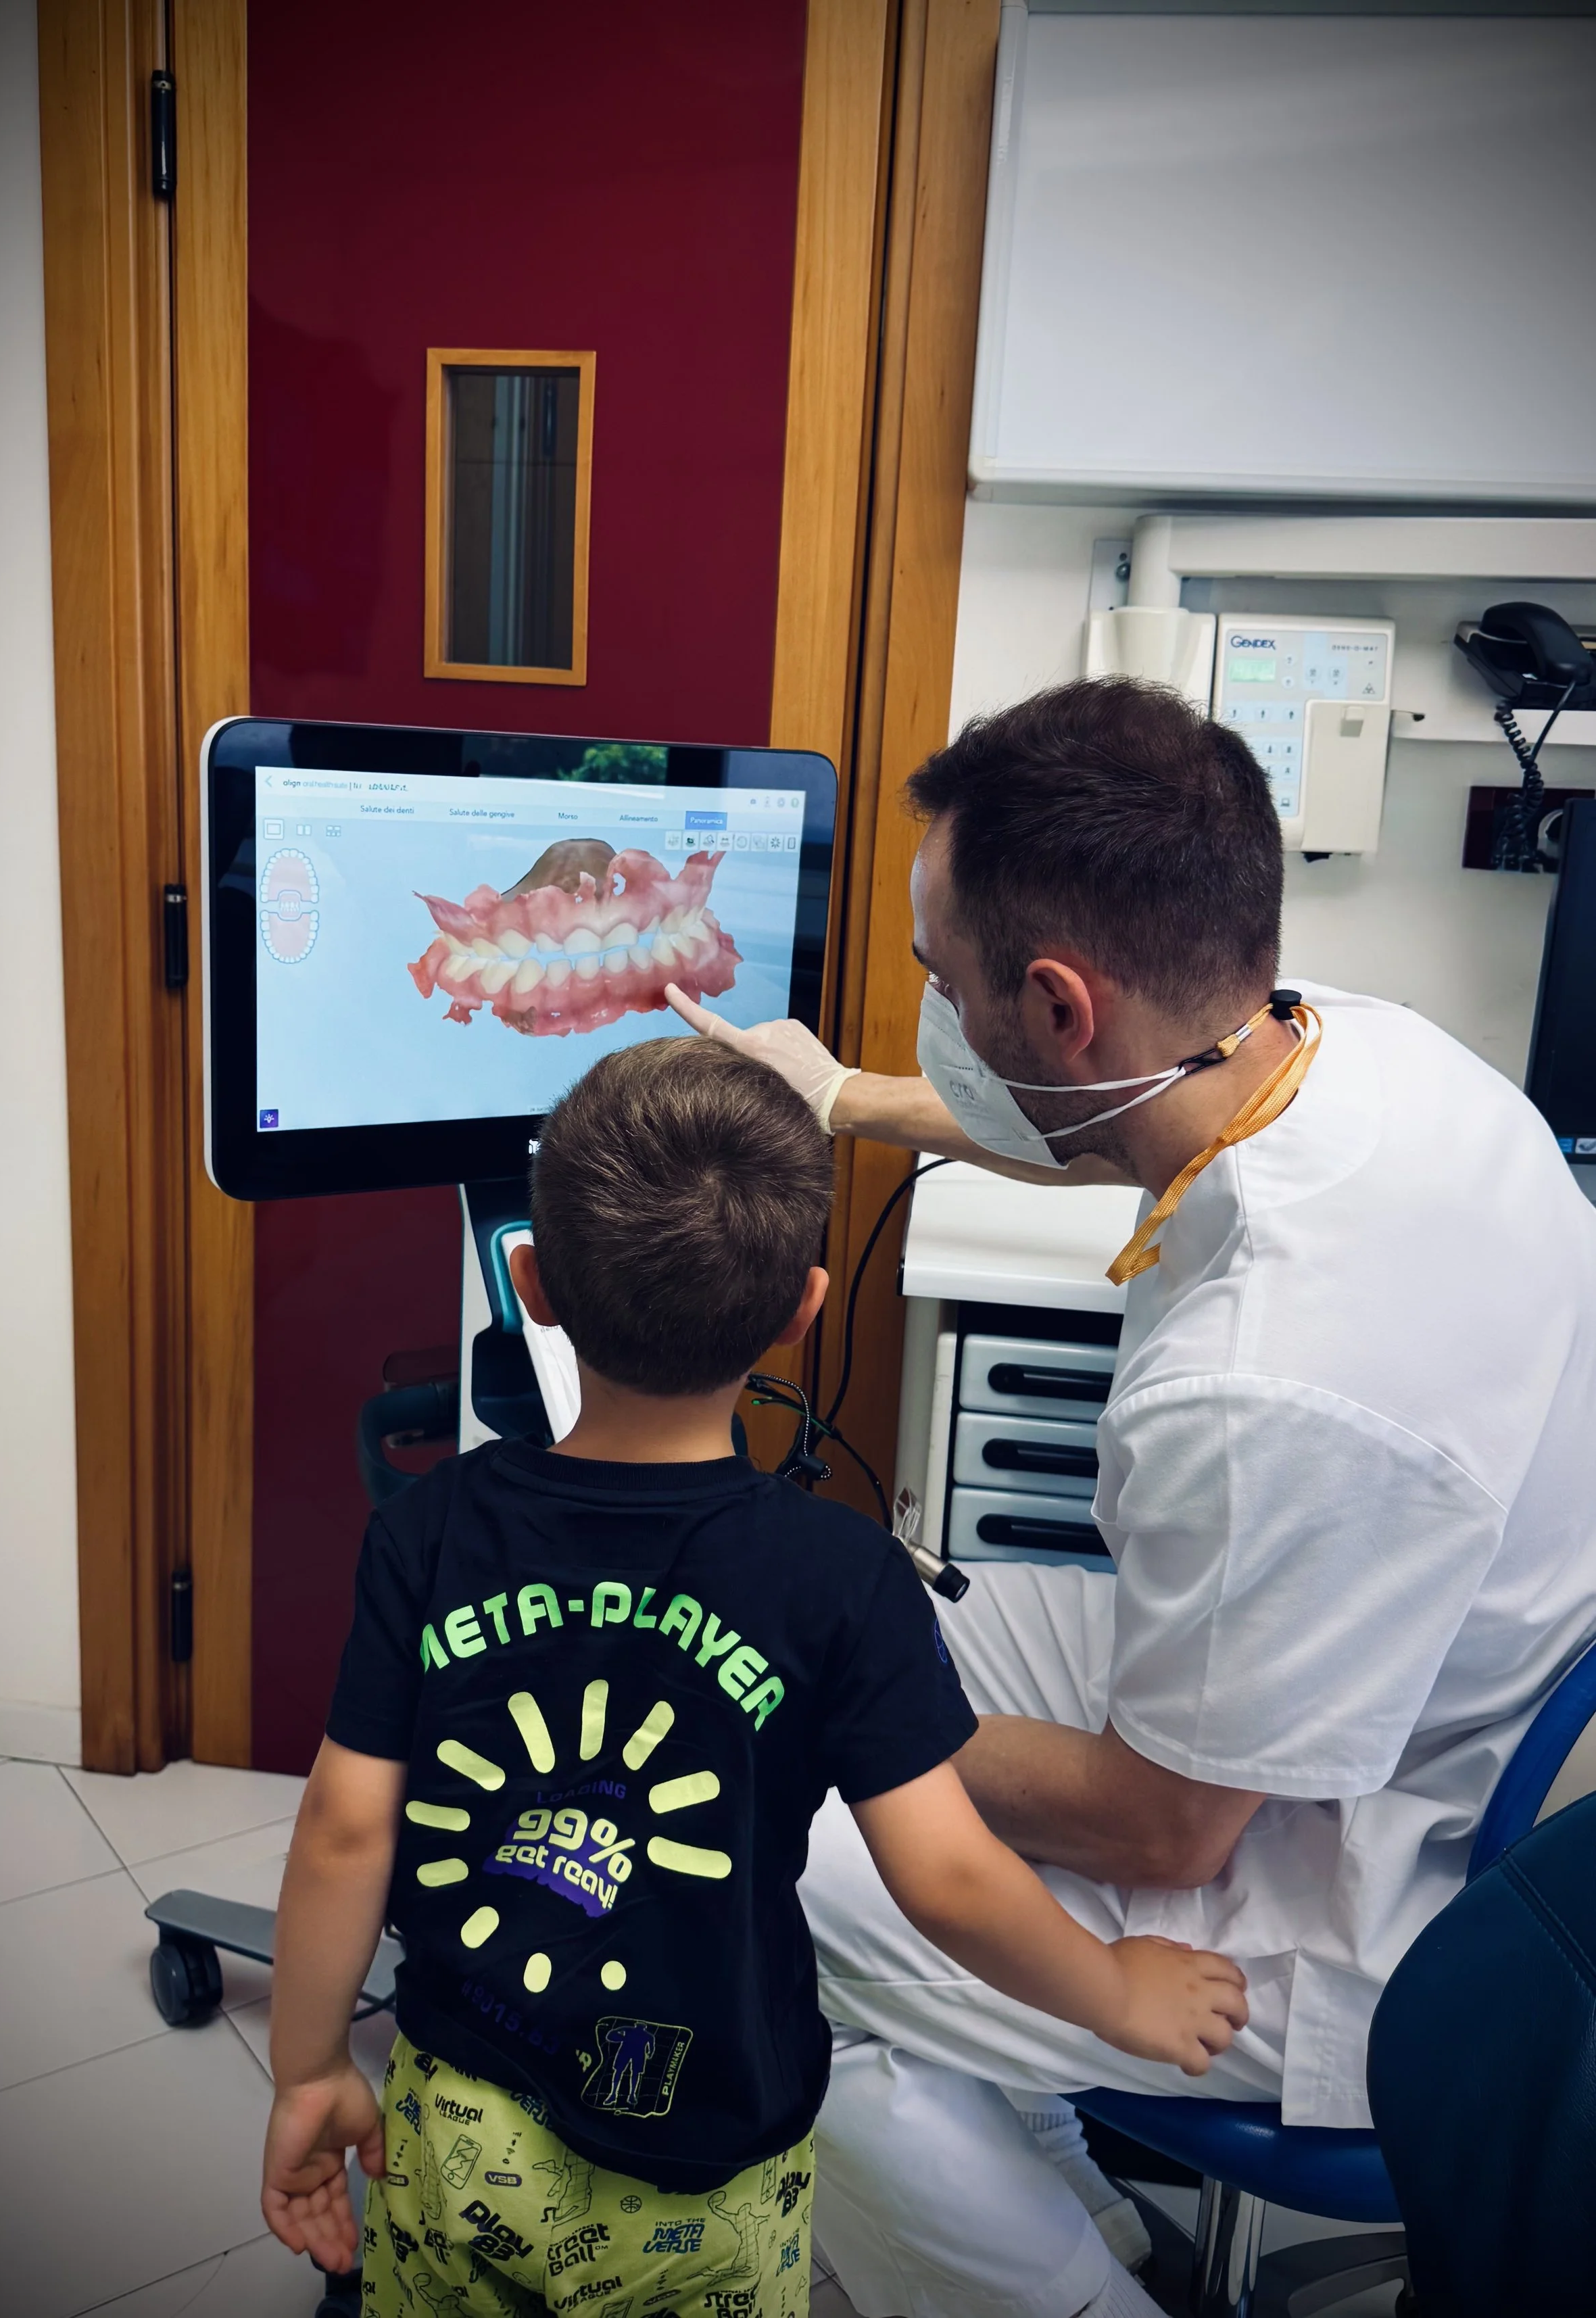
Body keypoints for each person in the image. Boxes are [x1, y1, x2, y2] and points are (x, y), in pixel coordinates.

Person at [667, 676, 1596, 2318]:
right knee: (930, 1597)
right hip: (1434, 1700)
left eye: (933, 979)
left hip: (1385, 1876)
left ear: (1052, 1002)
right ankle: (1061, 2201)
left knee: (740, 1852)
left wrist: (815, 1720)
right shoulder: (1352, 1051)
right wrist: (845, 1095)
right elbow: (1110, 1120)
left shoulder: (1260, 1382)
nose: (921, 999)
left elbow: (1163, 1825)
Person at [256, 1035, 1248, 2318]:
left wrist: (310, 2068)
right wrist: (1114, 1993)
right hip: (706, 2158)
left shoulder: (430, 1529)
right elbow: (946, 1878)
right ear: (804, 1310)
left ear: (533, 1287)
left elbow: (343, 1828)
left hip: (459, 2118)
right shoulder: (841, 1578)